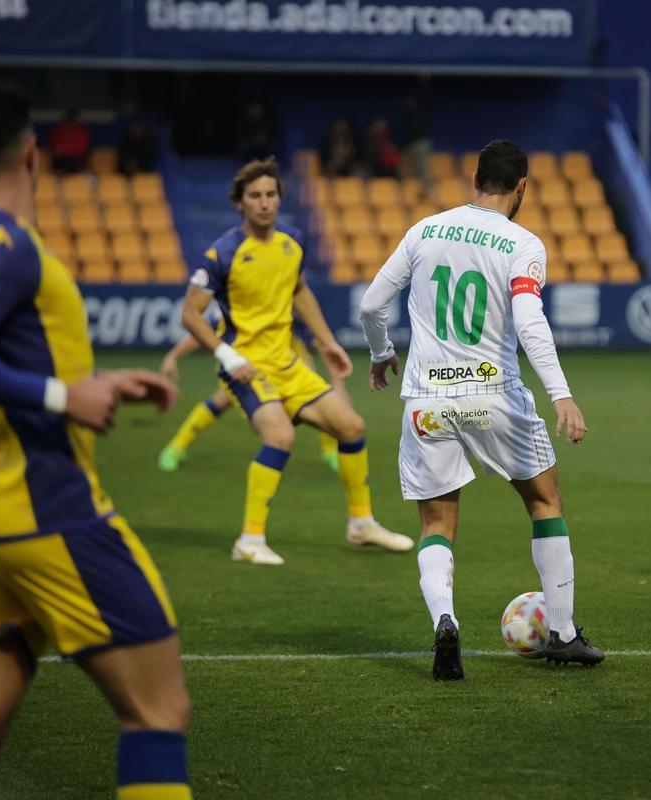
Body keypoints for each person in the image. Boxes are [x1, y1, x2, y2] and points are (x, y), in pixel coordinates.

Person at [0, 81, 192, 800]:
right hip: (45, 507)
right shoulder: (2, 241)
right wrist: (64, 396)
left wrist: (98, 380)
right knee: (158, 712)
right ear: (32, 154)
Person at [359, 139, 605, 680]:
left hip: (428, 400)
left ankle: (445, 620)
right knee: (544, 500)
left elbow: (372, 304)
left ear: (474, 179)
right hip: (495, 396)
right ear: (522, 187)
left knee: (436, 522)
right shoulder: (523, 243)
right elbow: (529, 320)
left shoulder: (424, 230)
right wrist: (560, 393)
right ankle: (561, 633)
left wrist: (381, 354)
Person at [180, 156, 411, 565]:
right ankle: (249, 540)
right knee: (280, 437)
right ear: (240, 203)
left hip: (288, 364)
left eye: (271, 194)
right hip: (246, 366)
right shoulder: (223, 254)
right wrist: (226, 355)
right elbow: (189, 315)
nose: (264, 202)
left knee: (351, 426)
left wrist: (327, 344)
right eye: (255, 196)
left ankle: (361, 524)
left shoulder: (292, 243)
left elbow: (300, 292)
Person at [157, 321, 344, 474]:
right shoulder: (237, 297)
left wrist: (337, 383)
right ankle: (175, 448)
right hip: (248, 355)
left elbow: (320, 339)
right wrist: (173, 355)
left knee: (313, 391)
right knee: (224, 399)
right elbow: (204, 329)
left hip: (285, 353)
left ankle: (329, 451)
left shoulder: (287, 293)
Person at [47, 109, 90, 174]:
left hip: (76, 160)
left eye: (73, 119)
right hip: (61, 160)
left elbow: (82, 149)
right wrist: (59, 150)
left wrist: (65, 150)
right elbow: (52, 144)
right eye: (69, 118)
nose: (71, 121)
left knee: (72, 162)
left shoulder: (81, 131)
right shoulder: (59, 129)